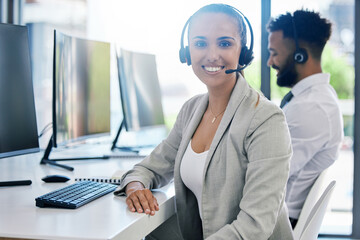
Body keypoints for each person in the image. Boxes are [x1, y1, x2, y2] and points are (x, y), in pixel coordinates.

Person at [115, 4, 294, 239]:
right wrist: (136, 187)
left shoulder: (266, 119)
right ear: (187, 52)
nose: (211, 55)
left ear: (243, 51)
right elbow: (148, 168)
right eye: (200, 43)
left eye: (225, 43)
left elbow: (254, 226)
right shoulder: (192, 110)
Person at [267, 10, 344, 228]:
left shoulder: (310, 108)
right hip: (277, 218)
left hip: (275, 224)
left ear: (300, 55)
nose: (270, 62)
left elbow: (268, 176)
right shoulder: (316, 99)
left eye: (274, 53)